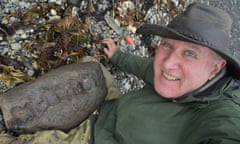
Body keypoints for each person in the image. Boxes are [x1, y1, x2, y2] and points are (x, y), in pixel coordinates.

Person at [94, 2, 240, 144]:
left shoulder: (220, 115)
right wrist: (117, 56)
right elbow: (144, 67)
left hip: (97, 137)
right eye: (167, 44)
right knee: (91, 64)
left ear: (215, 69)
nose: (168, 63)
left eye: (189, 53)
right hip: (111, 109)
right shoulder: (178, 74)